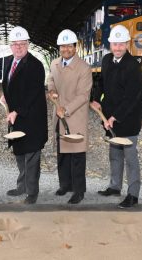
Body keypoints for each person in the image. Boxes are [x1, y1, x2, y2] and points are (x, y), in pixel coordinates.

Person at [91, 24, 142, 209]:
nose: (118, 48)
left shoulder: (133, 67)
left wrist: (115, 117)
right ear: (110, 44)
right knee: (115, 154)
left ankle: (133, 194)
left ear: (127, 44)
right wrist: (96, 99)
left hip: (127, 120)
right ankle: (115, 186)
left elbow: (133, 98)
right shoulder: (106, 60)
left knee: (130, 158)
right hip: (109, 118)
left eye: (121, 44)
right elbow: (101, 82)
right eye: (115, 44)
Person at [1, 26, 48, 204]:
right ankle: (22, 186)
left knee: (32, 156)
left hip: (32, 119)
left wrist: (16, 111)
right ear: (10, 46)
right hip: (17, 119)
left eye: (22, 44)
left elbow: (33, 94)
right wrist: (5, 95)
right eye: (15, 44)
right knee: (19, 153)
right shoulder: (8, 62)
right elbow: (9, 85)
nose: (18, 47)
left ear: (28, 44)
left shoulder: (35, 66)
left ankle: (32, 192)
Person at [47, 29, 92, 204]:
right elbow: (51, 79)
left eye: (69, 46)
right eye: (63, 46)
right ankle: (65, 184)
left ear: (75, 47)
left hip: (74, 115)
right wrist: (51, 90)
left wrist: (65, 109)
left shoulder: (84, 68)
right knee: (62, 153)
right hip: (58, 115)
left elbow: (83, 96)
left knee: (77, 154)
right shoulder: (55, 63)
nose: (66, 49)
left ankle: (79, 190)